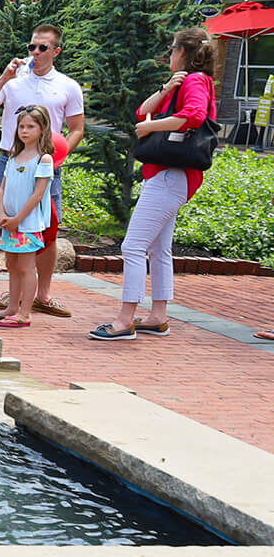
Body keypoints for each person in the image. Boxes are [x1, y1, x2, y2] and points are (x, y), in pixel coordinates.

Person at [91, 28, 216, 342]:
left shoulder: (196, 81)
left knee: (132, 246)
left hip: (171, 175)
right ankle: (158, 316)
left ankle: (124, 320)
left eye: (173, 48)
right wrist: (164, 89)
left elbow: (195, 116)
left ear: (184, 52)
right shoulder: (182, 82)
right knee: (160, 250)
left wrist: (150, 127)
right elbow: (142, 110)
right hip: (168, 175)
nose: (169, 53)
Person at [0, 22, 85, 317]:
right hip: (10, 162)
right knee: (10, 223)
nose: (35, 52)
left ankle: (42, 295)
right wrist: (5, 76)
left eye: (42, 47)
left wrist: (57, 156)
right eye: (31, 46)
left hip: (46, 167)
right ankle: (16, 292)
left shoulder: (67, 86)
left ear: (56, 51)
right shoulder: (14, 80)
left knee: (45, 230)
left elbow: (76, 129)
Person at [0, 107, 55, 330]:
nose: (24, 131)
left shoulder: (43, 159)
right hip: (9, 223)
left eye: (30, 127)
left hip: (27, 225)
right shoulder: (14, 157)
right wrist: (2, 214)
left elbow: (38, 194)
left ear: (42, 128)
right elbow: (2, 189)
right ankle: (12, 307)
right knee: (11, 265)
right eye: (21, 126)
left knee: (27, 268)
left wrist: (18, 218)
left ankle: (25, 312)